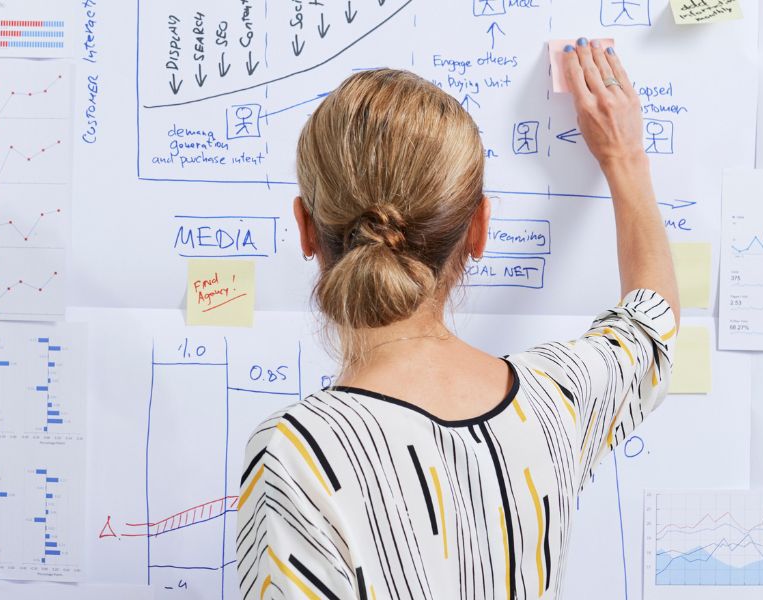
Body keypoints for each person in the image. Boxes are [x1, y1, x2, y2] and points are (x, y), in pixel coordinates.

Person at [234, 40, 679, 598]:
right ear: (479, 229)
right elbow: (651, 326)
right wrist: (625, 158)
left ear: (304, 227)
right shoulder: (554, 403)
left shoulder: (296, 453)